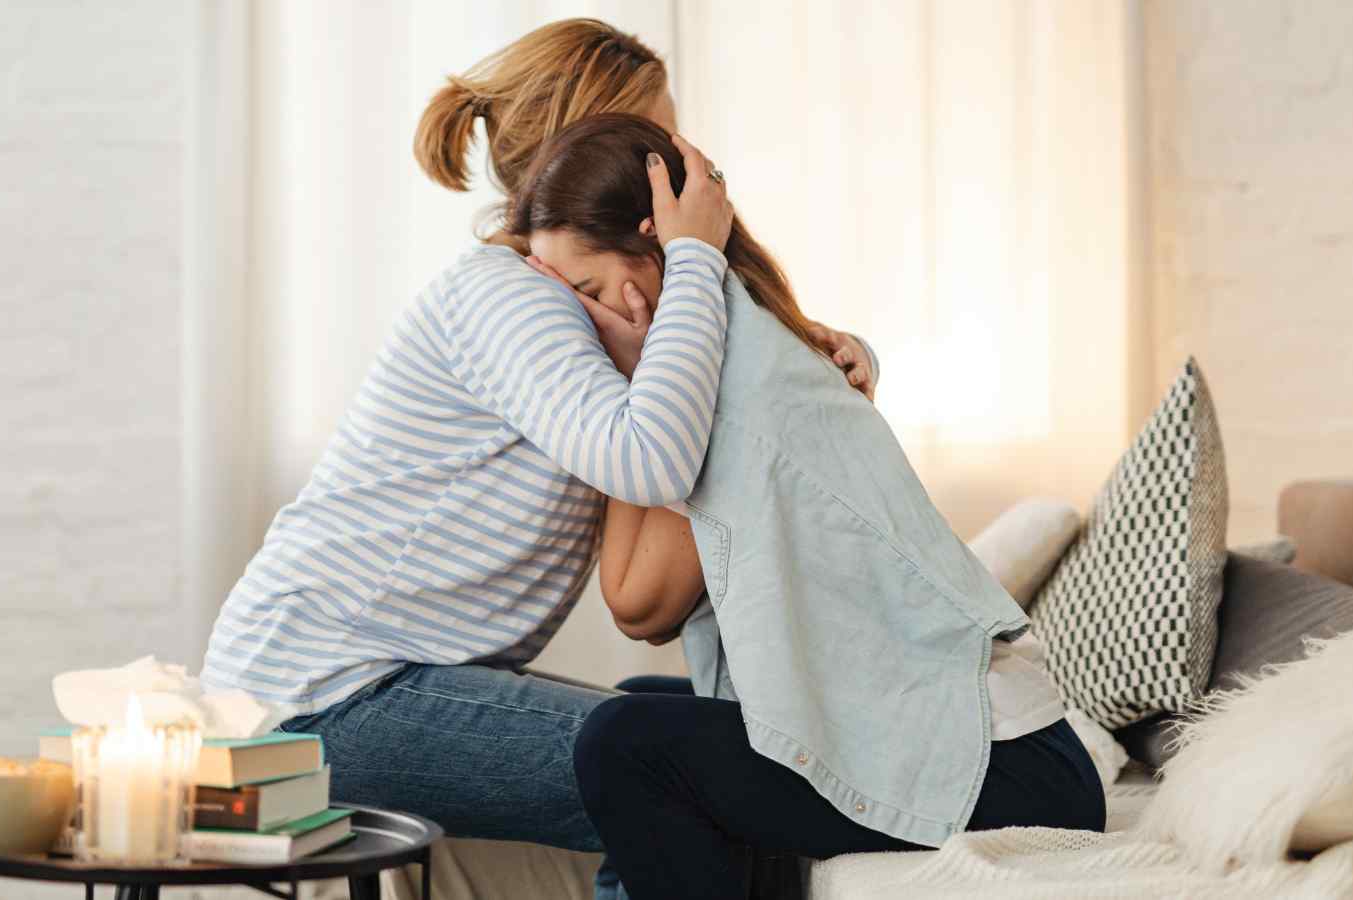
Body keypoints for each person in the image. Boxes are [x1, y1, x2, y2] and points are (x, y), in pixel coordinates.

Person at [198, 18, 878, 858]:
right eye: (661, 140)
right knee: (669, 769)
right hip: (316, 699)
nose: (684, 157)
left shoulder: (578, 307)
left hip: (375, 684)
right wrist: (697, 256)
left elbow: (695, 422)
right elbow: (654, 455)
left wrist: (833, 352)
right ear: (593, 153)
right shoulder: (509, 298)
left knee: (667, 743)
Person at [510, 114, 1107, 900]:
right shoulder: (731, 346)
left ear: (655, 255)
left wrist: (635, 380)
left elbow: (637, 603)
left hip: (1008, 768)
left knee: (624, 744)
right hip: (979, 746)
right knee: (642, 707)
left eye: (585, 292)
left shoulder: (733, 381)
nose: (575, 324)